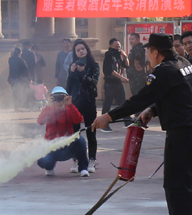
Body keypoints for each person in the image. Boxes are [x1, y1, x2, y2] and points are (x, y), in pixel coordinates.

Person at [93, 33, 192, 215]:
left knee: (177, 189)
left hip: (181, 136)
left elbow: (140, 98)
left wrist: (109, 116)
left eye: (148, 53)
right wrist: (153, 110)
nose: (148, 58)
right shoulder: (184, 63)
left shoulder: (163, 71)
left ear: (155, 52)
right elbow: (178, 95)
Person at [35, 87, 90, 177]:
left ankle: (83, 168)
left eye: (61, 98)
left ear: (66, 98)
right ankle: (49, 167)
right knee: (43, 161)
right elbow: (40, 121)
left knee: (80, 140)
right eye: (56, 98)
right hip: (52, 145)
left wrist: (70, 105)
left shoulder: (69, 109)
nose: (59, 101)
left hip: (67, 146)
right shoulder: (49, 110)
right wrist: (48, 106)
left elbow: (78, 120)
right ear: (52, 99)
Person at [66, 39, 100, 170]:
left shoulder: (94, 66)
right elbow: (69, 85)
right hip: (75, 103)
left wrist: (82, 72)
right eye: (78, 50)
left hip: (89, 102)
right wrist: (72, 72)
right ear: (75, 53)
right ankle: (76, 160)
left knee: (91, 131)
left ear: (87, 50)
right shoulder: (72, 66)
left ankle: (92, 160)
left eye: (83, 49)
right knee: (75, 133)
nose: (81, 51)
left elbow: (93, 83)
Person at [101, 38, 130, 132]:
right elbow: (109, 70)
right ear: (111, 46)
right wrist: (121, 77)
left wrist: (125, 56)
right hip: (110, 83)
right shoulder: (109, 55)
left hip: (117, 83)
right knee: (108, 104)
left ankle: (128, 122)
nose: (118, 47)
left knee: (123, 102)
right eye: (116, 45)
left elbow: (126, 65)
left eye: (119, 45)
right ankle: (104, 124)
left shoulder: (119, 55)